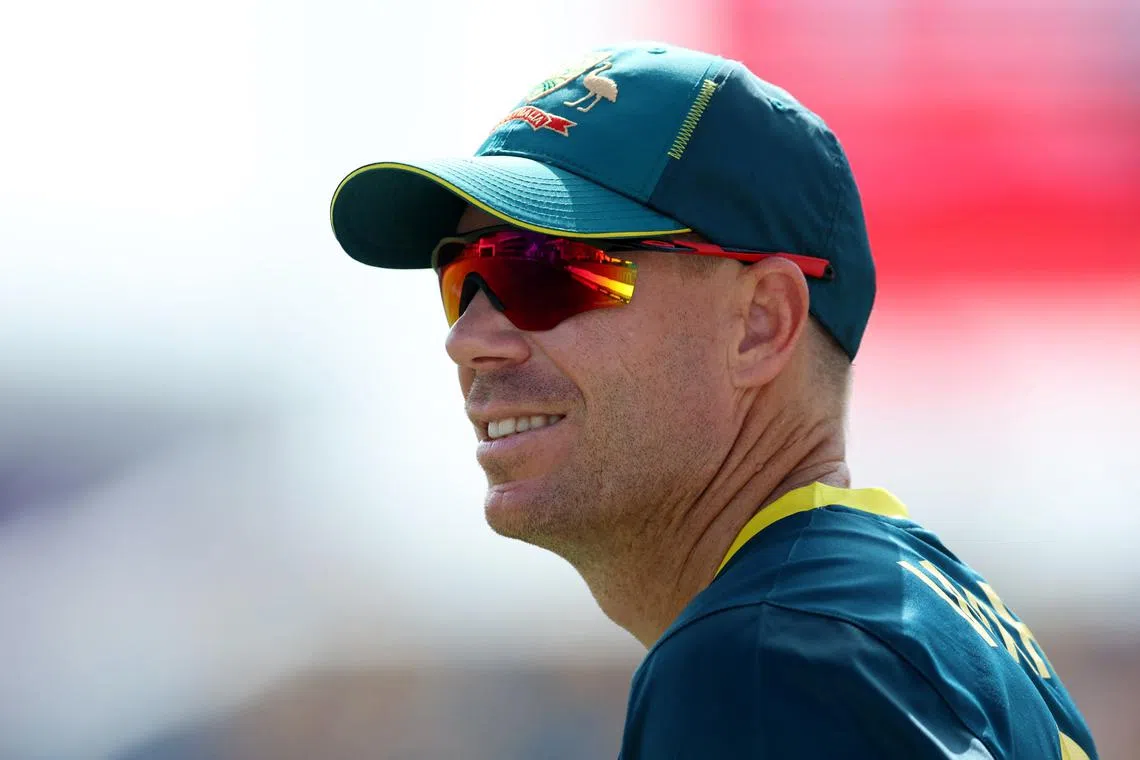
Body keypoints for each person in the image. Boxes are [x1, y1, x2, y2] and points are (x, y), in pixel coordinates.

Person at [328, 42, 1098, 759]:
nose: (469, 341)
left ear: (761, 326)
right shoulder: (931, 620)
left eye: (543, 268)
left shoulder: (766, 660)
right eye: (463, 279)